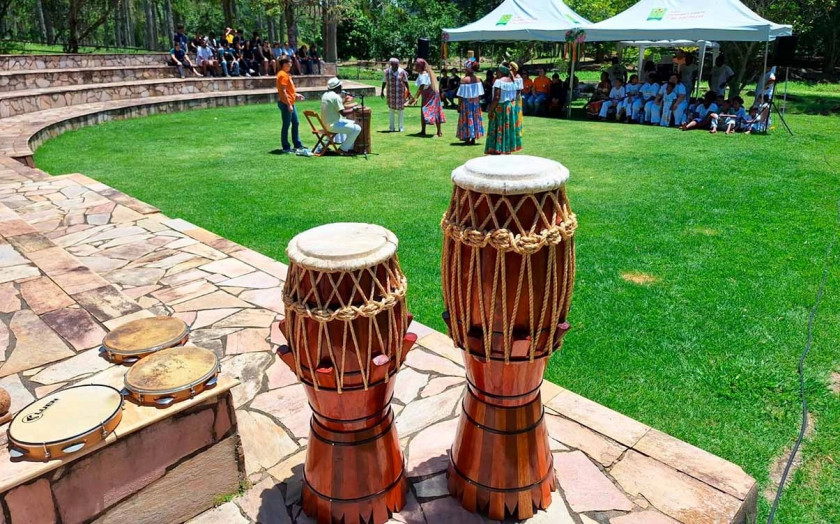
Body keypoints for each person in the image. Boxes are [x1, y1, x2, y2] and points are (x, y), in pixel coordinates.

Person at [485, 65, 522, 155]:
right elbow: (515, 95)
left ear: (500, 72)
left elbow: (496, 97)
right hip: (510, 107)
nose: (496, 72)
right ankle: (507, 148)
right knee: (507, 127)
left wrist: (490, 110)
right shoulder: (512, 82)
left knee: (498, 127)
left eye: (497, 70)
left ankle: (498, 148)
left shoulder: (499, 82)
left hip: (500, 108)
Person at [322, 77, 362, 155]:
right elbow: (343, 113)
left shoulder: (325, 95)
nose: (341, 87)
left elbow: (336, 107)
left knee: (353, 123)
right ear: (337, 87)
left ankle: (349, 148)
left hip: (326, 123)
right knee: (357, 128)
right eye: (340, 86)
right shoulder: (336, 97)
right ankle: (343, 149)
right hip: (332, 125)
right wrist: (355, 109)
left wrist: (345, 101)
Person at [409, 58, 446, 137]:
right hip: (427, 95)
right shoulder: (422, 74)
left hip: (431, 96)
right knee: (423, 111)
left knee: (435, 111)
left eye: (416, 65)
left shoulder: (424, 74)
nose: (415, 66)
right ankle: (423, 130)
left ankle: (439, 132)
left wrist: (415, 98)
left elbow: (422, 87)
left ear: (420, 66)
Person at [276, 57, 305, 153]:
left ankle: (297, 144)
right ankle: (286, 147)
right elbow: (283, 91)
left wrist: (296, 95)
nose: (291, 64)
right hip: (286, 103)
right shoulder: (282, 75)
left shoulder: (286, 74)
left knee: (296, 122)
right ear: (284, 64)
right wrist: (289, 105)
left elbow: (288, 90)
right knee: (286, 125)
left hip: (290, 103)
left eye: (291, 62)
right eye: (289, 62)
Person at [456, 59, 485, 146]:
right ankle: (473, 138)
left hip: (466, 104)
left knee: (467, 120)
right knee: (474, 119)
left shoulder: (464, 80)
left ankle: (468, 137)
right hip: (476, 104)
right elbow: (480, 95)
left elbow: (460, 95)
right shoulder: (478, 80)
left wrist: (459, 105)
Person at [381, 58, 409, 133]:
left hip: (400, 94)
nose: (397, 66)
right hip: (391, 94)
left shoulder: (402, 71)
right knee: (391, 111)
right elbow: (384, 82)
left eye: (397, 64)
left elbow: (406, 81)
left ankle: (401, 127)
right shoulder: (387, 72)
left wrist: (408, 91)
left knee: (400, 111)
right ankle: (392, 127)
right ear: (391, 64)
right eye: (395, 65)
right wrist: (382, 91)